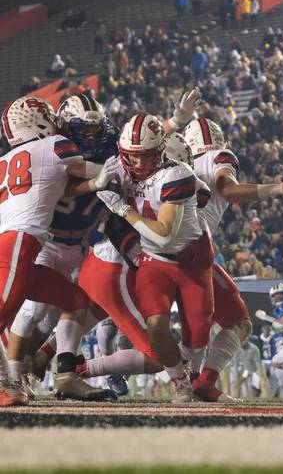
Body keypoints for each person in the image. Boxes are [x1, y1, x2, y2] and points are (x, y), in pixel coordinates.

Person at [0, 96, 119, 406]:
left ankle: (25, 380)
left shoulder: (8, 159)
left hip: (24, 241)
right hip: (20, 241)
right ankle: (6, 385)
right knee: (8, 317)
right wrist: (113, 173)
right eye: (49, 116)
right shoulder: (55, 144)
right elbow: (84, 169)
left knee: (73, 300)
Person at [95, 113, 215, 403]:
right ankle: (179, 381)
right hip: (153, 259)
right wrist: (96, 183)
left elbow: (164, 234)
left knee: (198, 336)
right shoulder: (119, 170)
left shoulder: (177, 174)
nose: (136, 163)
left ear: (160, 152)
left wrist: (123, 209)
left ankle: (191, 371)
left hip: (189, 260)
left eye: (144, 156)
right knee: (156, 325)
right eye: (130, 156)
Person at [182, 115, 283, 401]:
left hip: (153, 247)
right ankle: (200, 381)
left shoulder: (176, 162)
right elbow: (228, 189)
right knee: (238, 322)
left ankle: (67, 360)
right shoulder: (218, 157)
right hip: (191, 252)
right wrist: (278, 188)